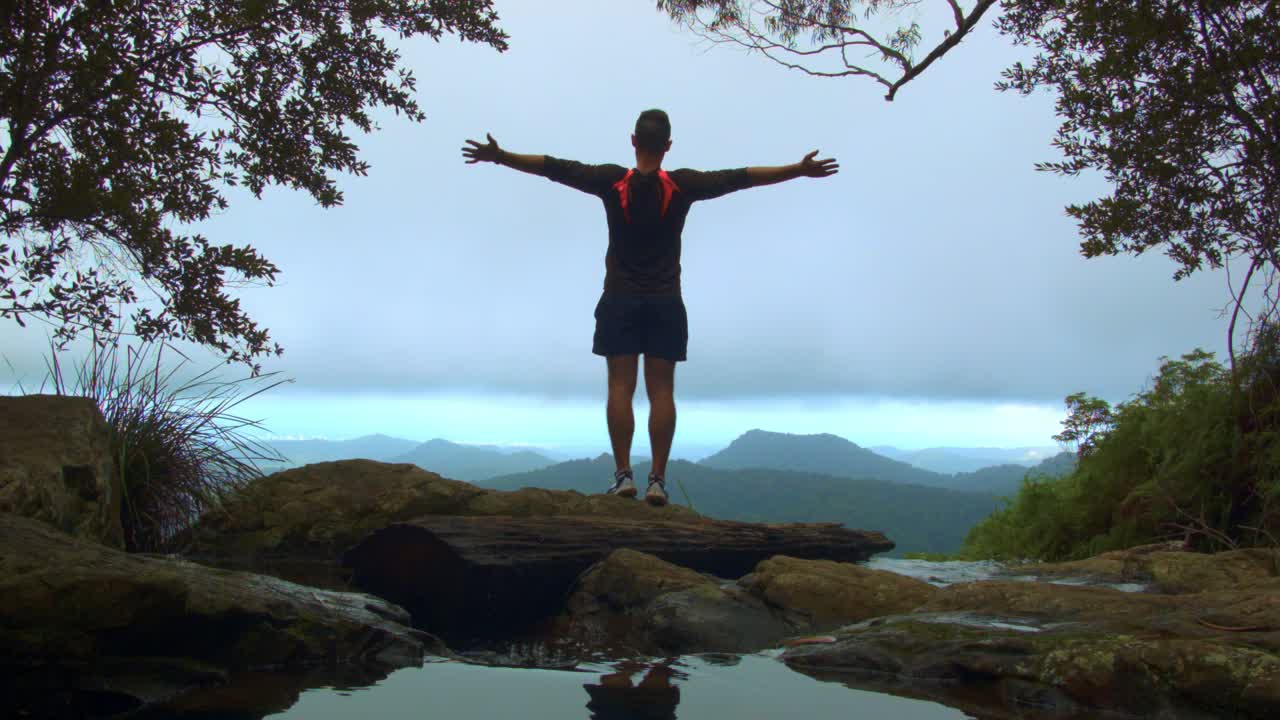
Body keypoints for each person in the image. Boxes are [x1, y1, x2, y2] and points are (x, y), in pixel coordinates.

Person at [462, 109, 838, 506]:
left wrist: (500, 156)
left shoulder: (610, 180)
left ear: (633, 141)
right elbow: (741, 177)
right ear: (668, 146)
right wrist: (797, 169)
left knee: (620, 387)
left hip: (619, 299)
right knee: (662, 391)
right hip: (665, 301)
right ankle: (657, 481)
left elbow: (554, 168)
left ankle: (623, 475)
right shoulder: (683, 184)